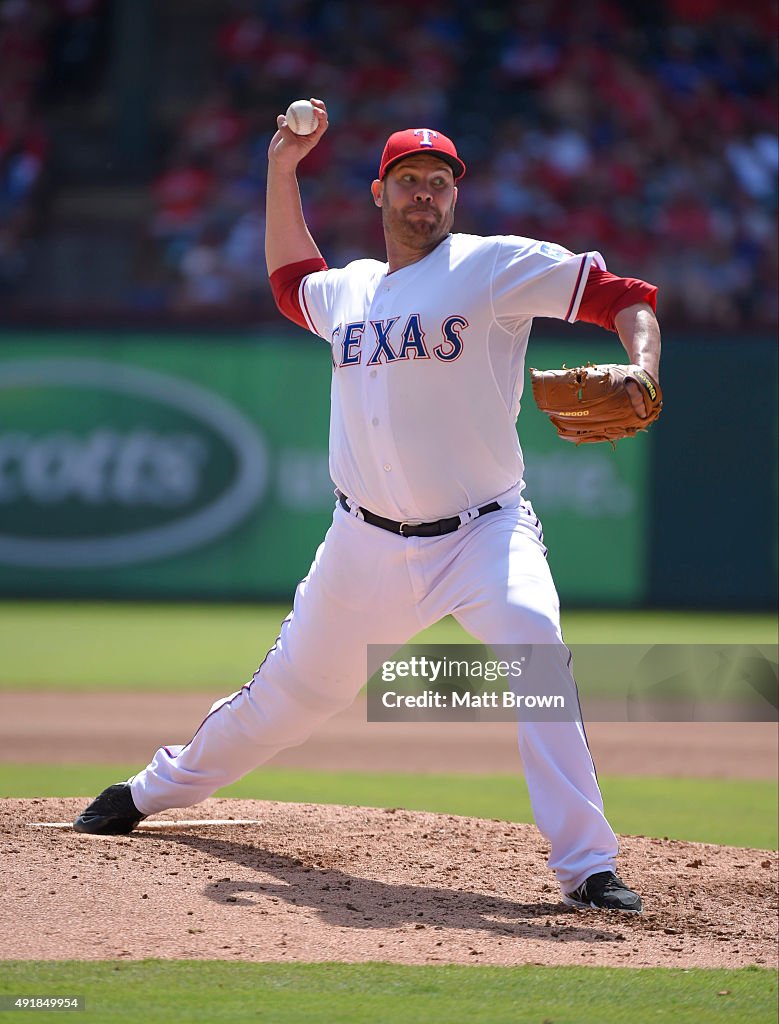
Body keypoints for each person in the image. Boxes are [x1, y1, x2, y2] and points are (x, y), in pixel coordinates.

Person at [75, 99, 662, 914]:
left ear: (455, 196)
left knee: (536, 653)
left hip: (482, 536)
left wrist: (641, 365)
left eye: (439, 182)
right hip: (363, 548)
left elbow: (624, 295)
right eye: (410, 181)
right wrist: (281, 166)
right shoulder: (348, 290)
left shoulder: (491, 265)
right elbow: (289, 284)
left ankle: (587, 867)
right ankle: (147, 792)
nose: (426, 194)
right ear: (379, 195)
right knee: (284, 701)